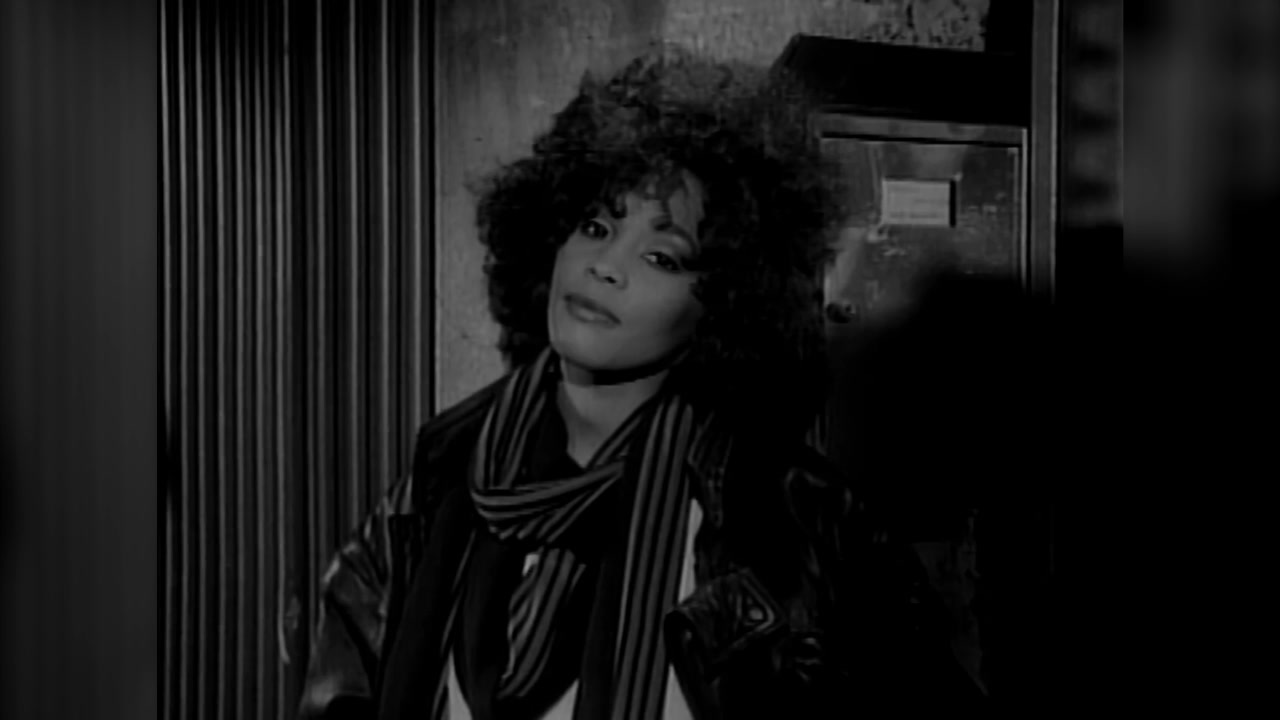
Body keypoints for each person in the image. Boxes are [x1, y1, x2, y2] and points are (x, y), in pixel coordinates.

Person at [297, 47, 966, 720]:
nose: (606, 266)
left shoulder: (796, 517)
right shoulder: (438, 481)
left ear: (725, 303)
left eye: (661, 257)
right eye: (595, 226)